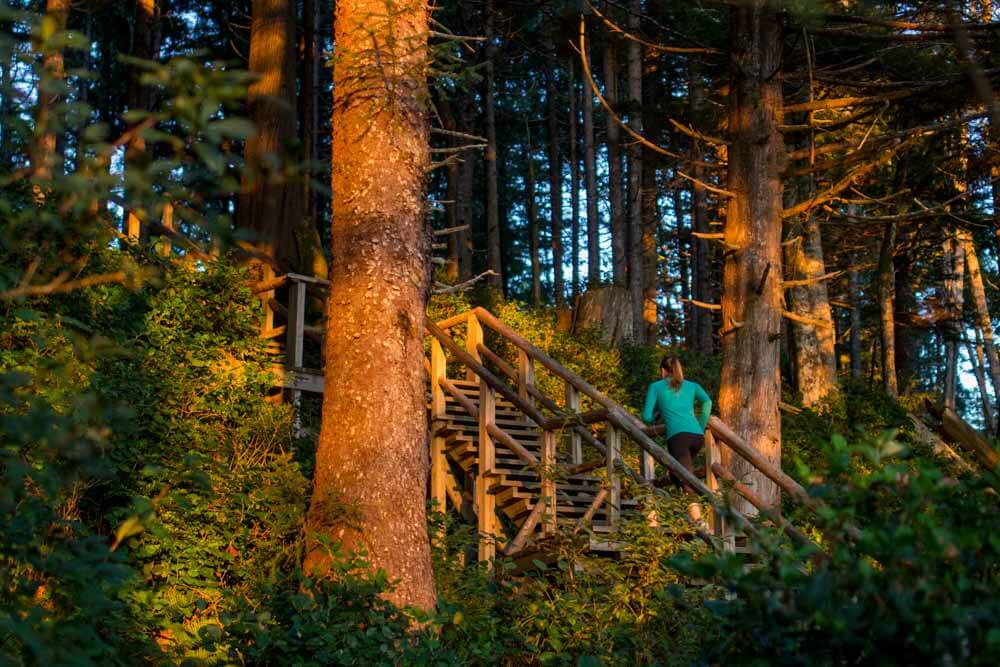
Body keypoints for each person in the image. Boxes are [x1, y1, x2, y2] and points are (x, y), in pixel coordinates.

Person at [641, 355, 712, 492]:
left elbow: (647, 417)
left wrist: (657, 415)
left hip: (678, 438)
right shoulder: (692, 385)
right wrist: (700, 426)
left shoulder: (655, 387)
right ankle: (684, 510)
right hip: (697, 437)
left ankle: (697, 510)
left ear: (663, 370)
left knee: (686, 482)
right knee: (675, 474)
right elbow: (707, 402)